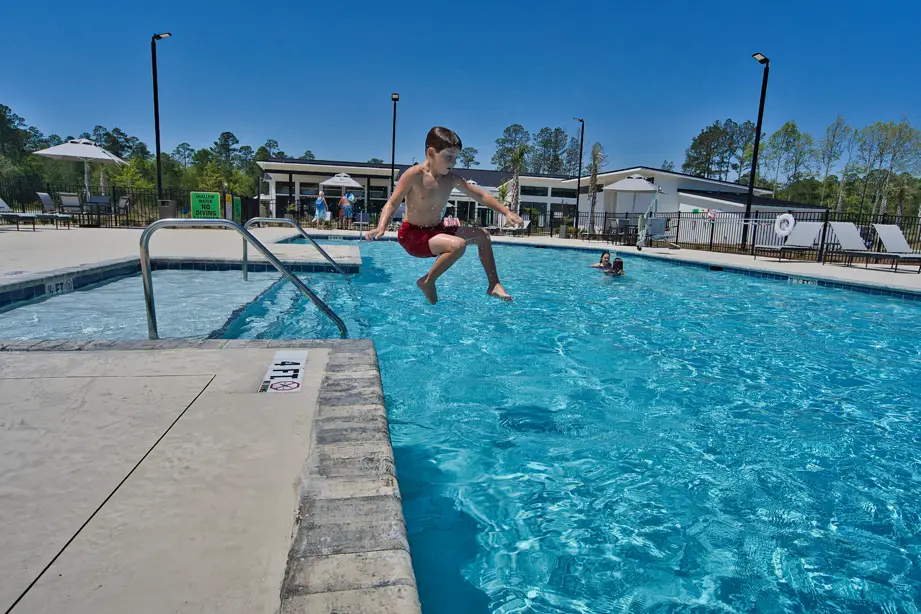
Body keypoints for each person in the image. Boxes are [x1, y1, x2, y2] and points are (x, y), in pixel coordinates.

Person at [366, 126, 523, 304]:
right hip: (413, 236)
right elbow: (392, 203)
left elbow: (480, 195)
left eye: (456, 157)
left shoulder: (451, 178)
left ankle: (494, 284)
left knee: (482, 236)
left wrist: (507, 212)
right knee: (458, 245)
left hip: (436, 230)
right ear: (431, 153)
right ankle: (427, 281)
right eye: (449, 157)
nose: (454, 162)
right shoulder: (414, 175)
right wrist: (381, 226)